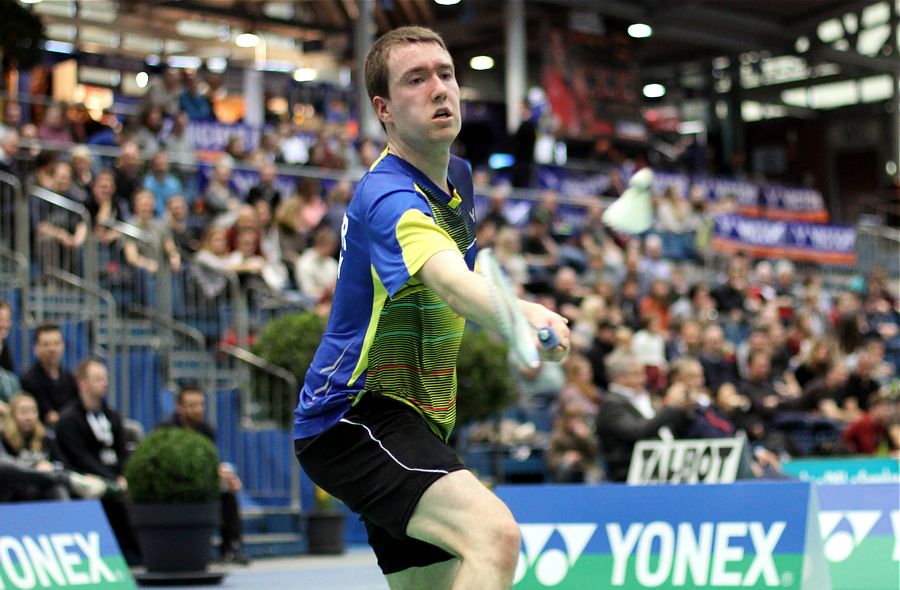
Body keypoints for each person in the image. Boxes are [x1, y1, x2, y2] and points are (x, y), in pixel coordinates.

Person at [292, 27, 569, 589]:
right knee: (494, 535)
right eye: (415, 80)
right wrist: (521, 312)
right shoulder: (388, 196)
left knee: (434, 583)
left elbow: (456, 277)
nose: (439, 88)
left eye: (445, 73)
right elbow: (448, 281)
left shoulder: (458, 179)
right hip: (354, 414)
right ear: (385, 110)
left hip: (420, 418)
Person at [55, 359, 141, 564]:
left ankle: (140, 552)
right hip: (86, 476)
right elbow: (80, 458)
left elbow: (123, 451)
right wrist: (111, 479)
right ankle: (125, 553)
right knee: (109, 492)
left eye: (105, 378)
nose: (104, 383)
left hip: (115, 475)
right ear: (82, 383)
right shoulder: (69, 419)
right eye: (97, 379)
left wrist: (122, 475)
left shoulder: (112, 416)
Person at [159, 384, 249, 564]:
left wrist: (226, 476)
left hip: (202, 483)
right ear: (180, 407)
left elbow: (212, 461)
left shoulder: (206, 430)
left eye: (201, 404)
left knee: (228, 491)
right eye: (192, 405)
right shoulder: (166, 429)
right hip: (174, 485)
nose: (198, 409)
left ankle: (231, 548)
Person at [595, 352, 693, 482]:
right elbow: (637, 431)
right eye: (637, 374)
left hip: (665, 466)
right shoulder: (612, 405)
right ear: (620, 377)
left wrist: (683, 410)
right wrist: (668, 406)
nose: (643, 379)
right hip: (632, 473)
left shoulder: (643, 398)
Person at [20, 324, 79, 426]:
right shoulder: (28, 381)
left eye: (56, 343)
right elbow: (48, 417)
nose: (52, 349)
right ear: (36, 348)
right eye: (46, 344)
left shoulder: (70, 379)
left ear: (63, 346)